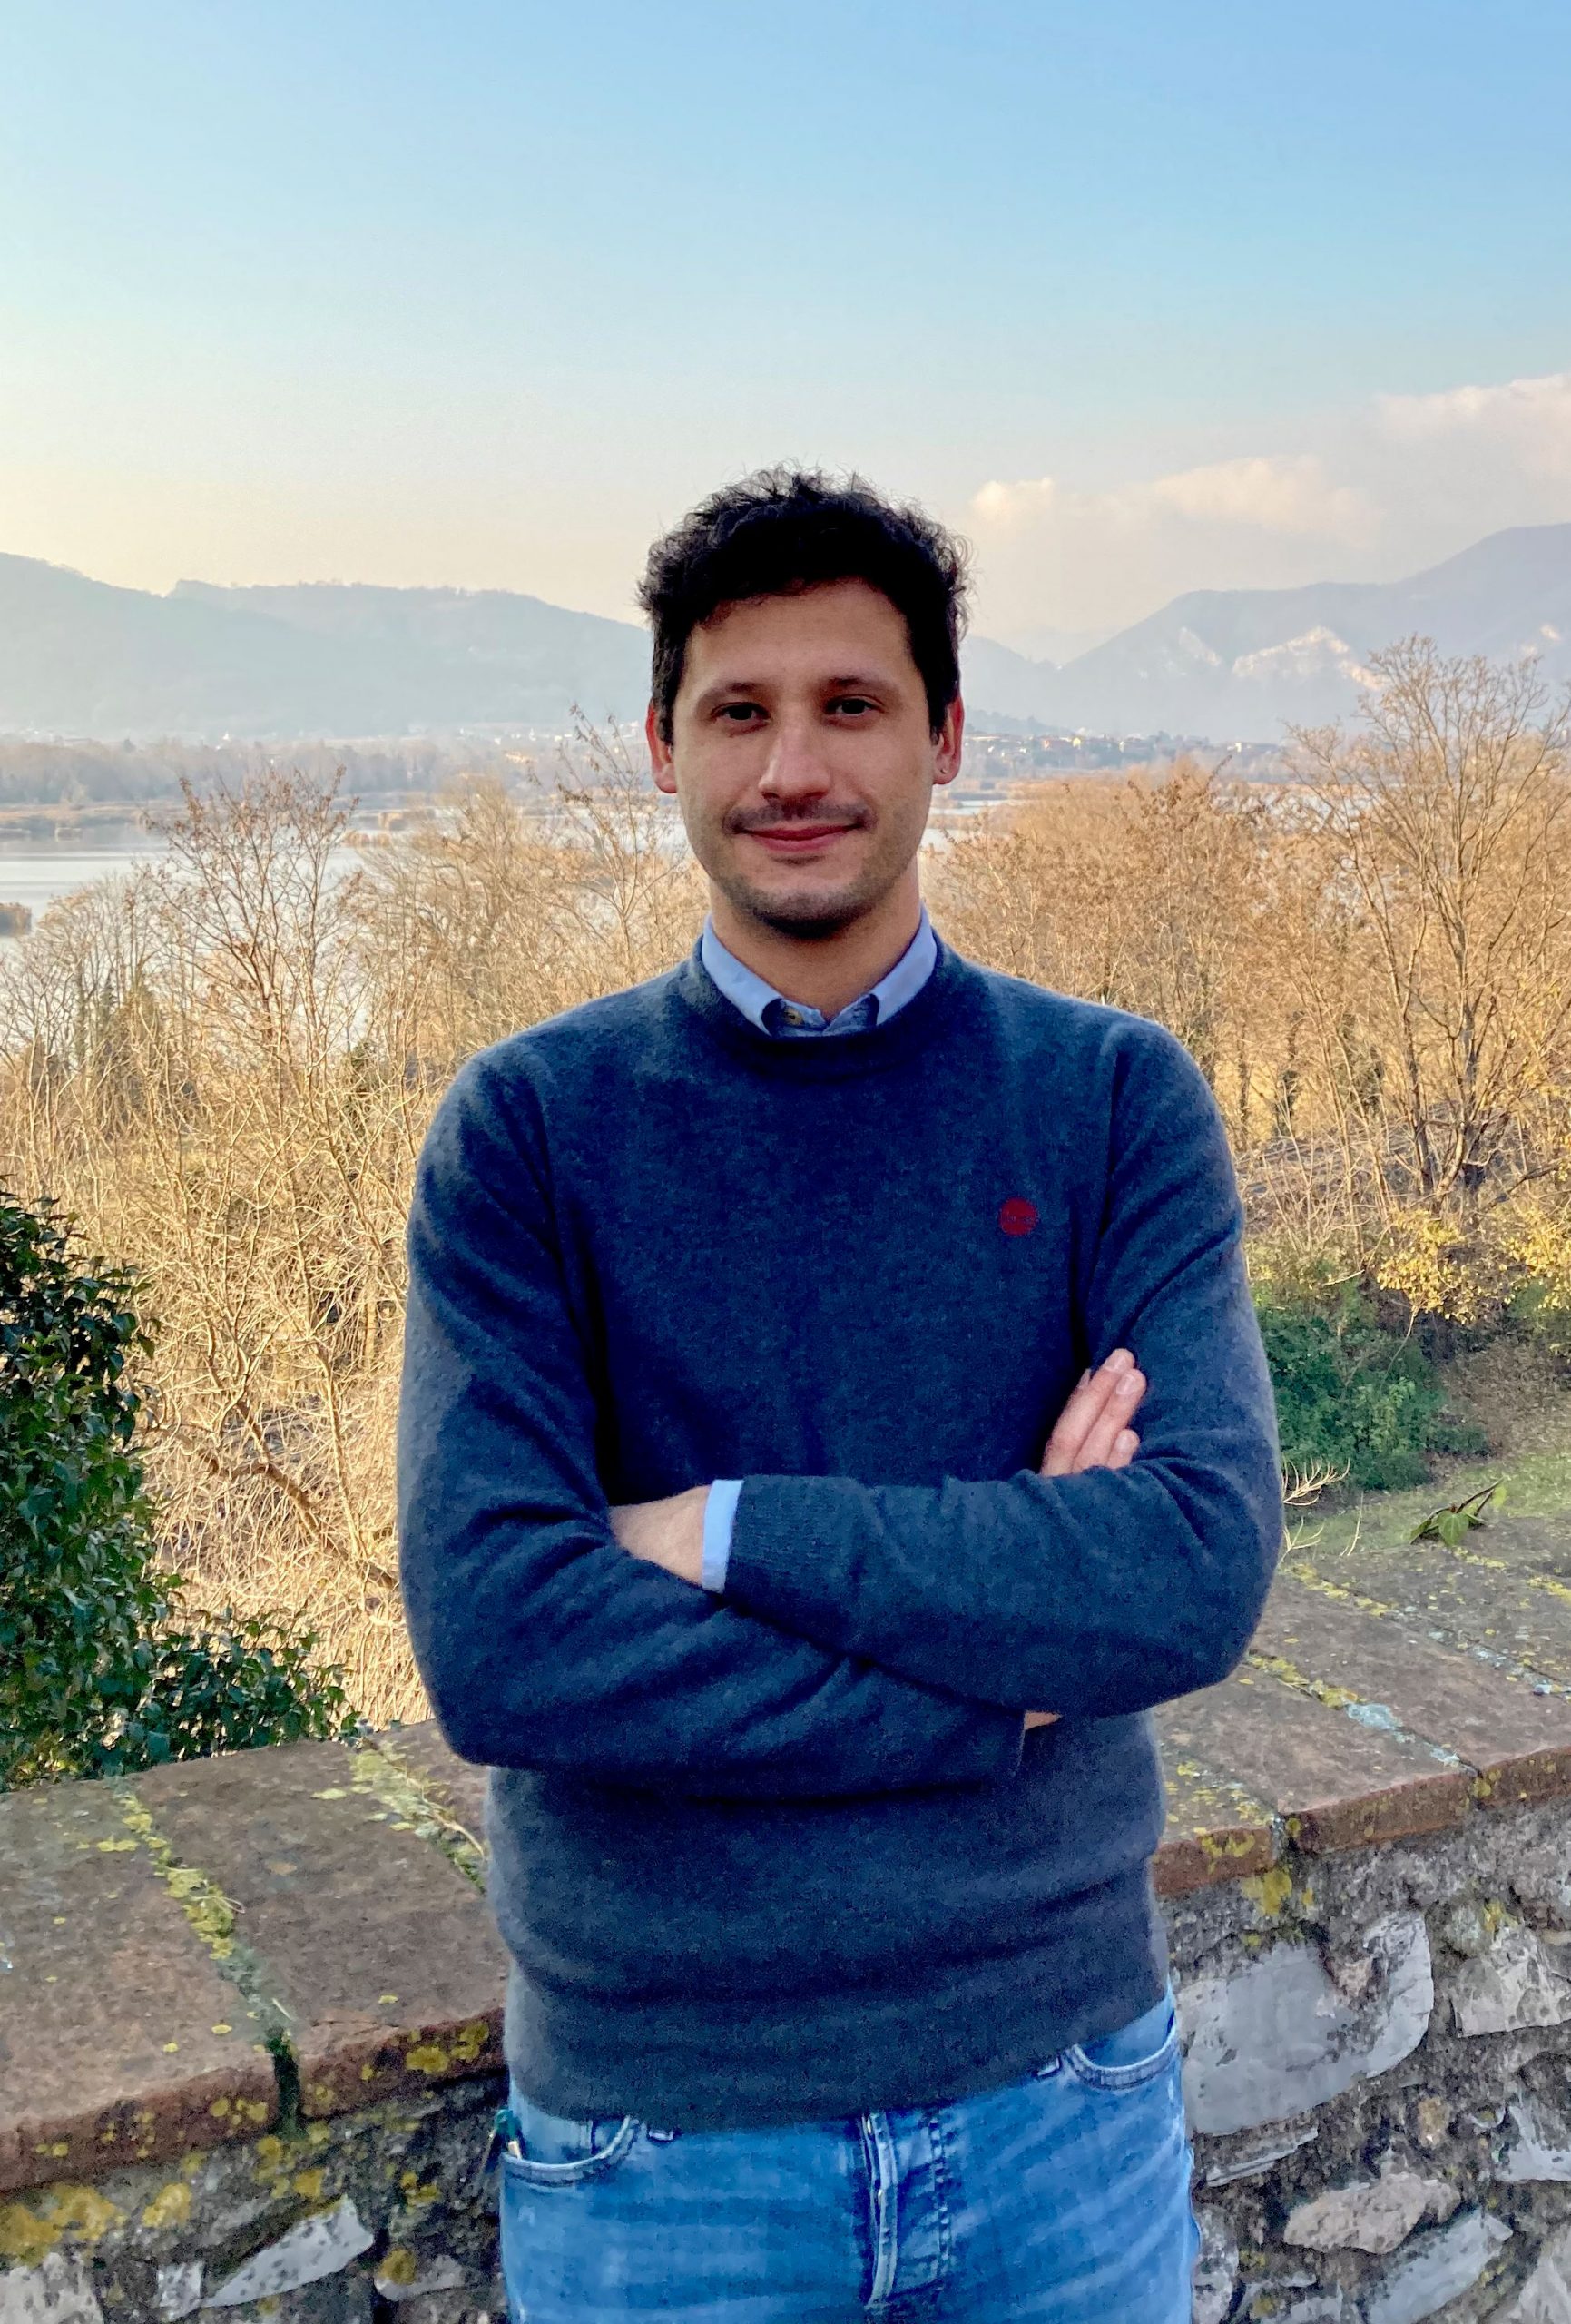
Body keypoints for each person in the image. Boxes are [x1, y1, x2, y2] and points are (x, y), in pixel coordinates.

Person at [398, 467, 1281, 2322]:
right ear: (661, 746)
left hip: (1064, 2094)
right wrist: (1008, 1671)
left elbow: (1190, 1568)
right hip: (667, 2144)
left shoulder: (1111, 1101)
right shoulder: (529, 1133)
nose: (793, 765)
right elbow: (505, 1646)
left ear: (944, 735)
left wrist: (719, 1529)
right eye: (740, 710)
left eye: (851, 703)